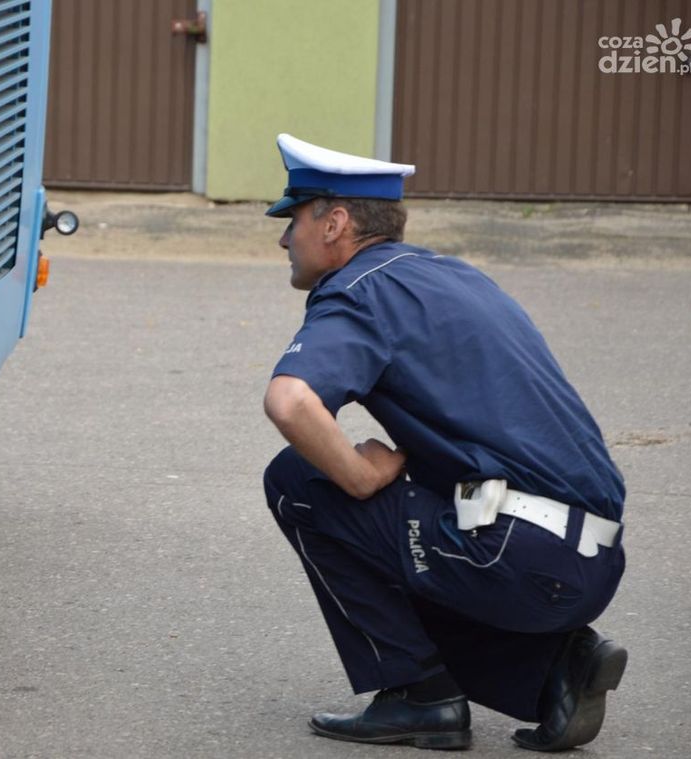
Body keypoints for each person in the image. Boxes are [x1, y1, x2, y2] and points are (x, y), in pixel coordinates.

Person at [261, 134, 627, 751]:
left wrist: (358, 473)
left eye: (293, 219)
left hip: (517, 556)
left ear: (336, 223)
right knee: (421, 500)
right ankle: (555, 671)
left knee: (301, 483)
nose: (282, 238)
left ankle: (419, 696)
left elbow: (290, 401)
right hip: (592, 556)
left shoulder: (356, 291)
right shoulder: (451, 274)